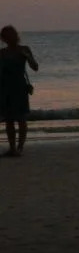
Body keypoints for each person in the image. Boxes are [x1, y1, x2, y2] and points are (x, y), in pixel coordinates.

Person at [0, 26, 38, 157]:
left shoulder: (24, 49)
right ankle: (12, 148)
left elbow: (35, 67)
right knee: (9, 119)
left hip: (20, 87)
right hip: (5, 87)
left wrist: (28, 57)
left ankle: (20, 148)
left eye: (11, 35)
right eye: (6, 36)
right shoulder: (2, 53)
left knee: (21, 118)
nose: (9, 38)